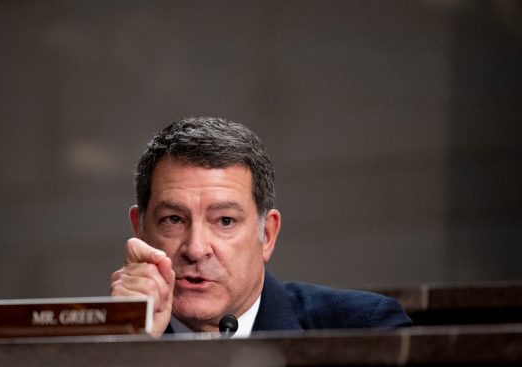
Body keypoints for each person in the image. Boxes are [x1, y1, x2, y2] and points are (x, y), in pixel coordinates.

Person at [110, 117, 411, 337]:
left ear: (266, 235)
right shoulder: (90, 346)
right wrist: (129, 347)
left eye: (225, 221)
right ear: (140, 230)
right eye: (173, 219)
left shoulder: (366, 329)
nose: (196, 249)